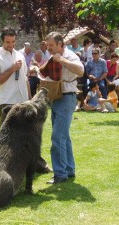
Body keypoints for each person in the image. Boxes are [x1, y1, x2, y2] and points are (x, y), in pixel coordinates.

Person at [0, 27, 51, 173]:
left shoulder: (20, 55)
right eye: (8, 42)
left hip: (23, 101)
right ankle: (8, 169)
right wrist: (11, 69)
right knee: (7, 140)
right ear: (2, 40)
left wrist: (30, 99)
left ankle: (37, 164)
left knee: (31, 135)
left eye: (13, 41)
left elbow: (25, 79)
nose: (11, 45)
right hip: (7, 102)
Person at [44, 31, 84, 184]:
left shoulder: (70, 56)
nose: (48, 48)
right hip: (57, 98)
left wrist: (61, 60)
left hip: (67, 98)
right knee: (64, 137)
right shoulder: (52, 56)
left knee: (57, 137)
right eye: (47, 45)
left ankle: (60, 174)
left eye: (51, 45)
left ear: (60, 44)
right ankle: (69, 169)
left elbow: (80, 71)